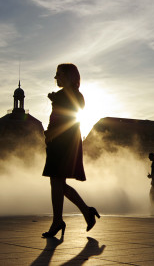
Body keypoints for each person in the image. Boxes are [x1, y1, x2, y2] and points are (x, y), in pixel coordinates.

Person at [42, 63, 100, 238]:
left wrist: (52, 132)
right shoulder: (75, 95)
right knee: (58, 182)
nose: (56, 77)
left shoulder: (66, 95)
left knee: (56, 181)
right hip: (67, 140)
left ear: (69, 76)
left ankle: (58, 220)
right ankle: (85, 212)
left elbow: (63, 117)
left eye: (59, 74)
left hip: (62, 141)